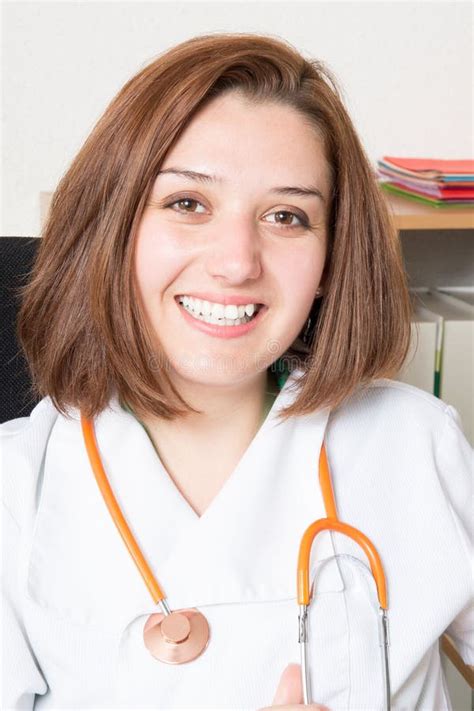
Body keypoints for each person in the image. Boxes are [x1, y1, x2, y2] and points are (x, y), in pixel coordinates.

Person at [1, 31, 472, 711]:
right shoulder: (16, 489)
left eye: (287, 216)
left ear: (329, 261)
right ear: (112, 228)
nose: (237, 260)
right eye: (187, 203)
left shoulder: (415, 444)